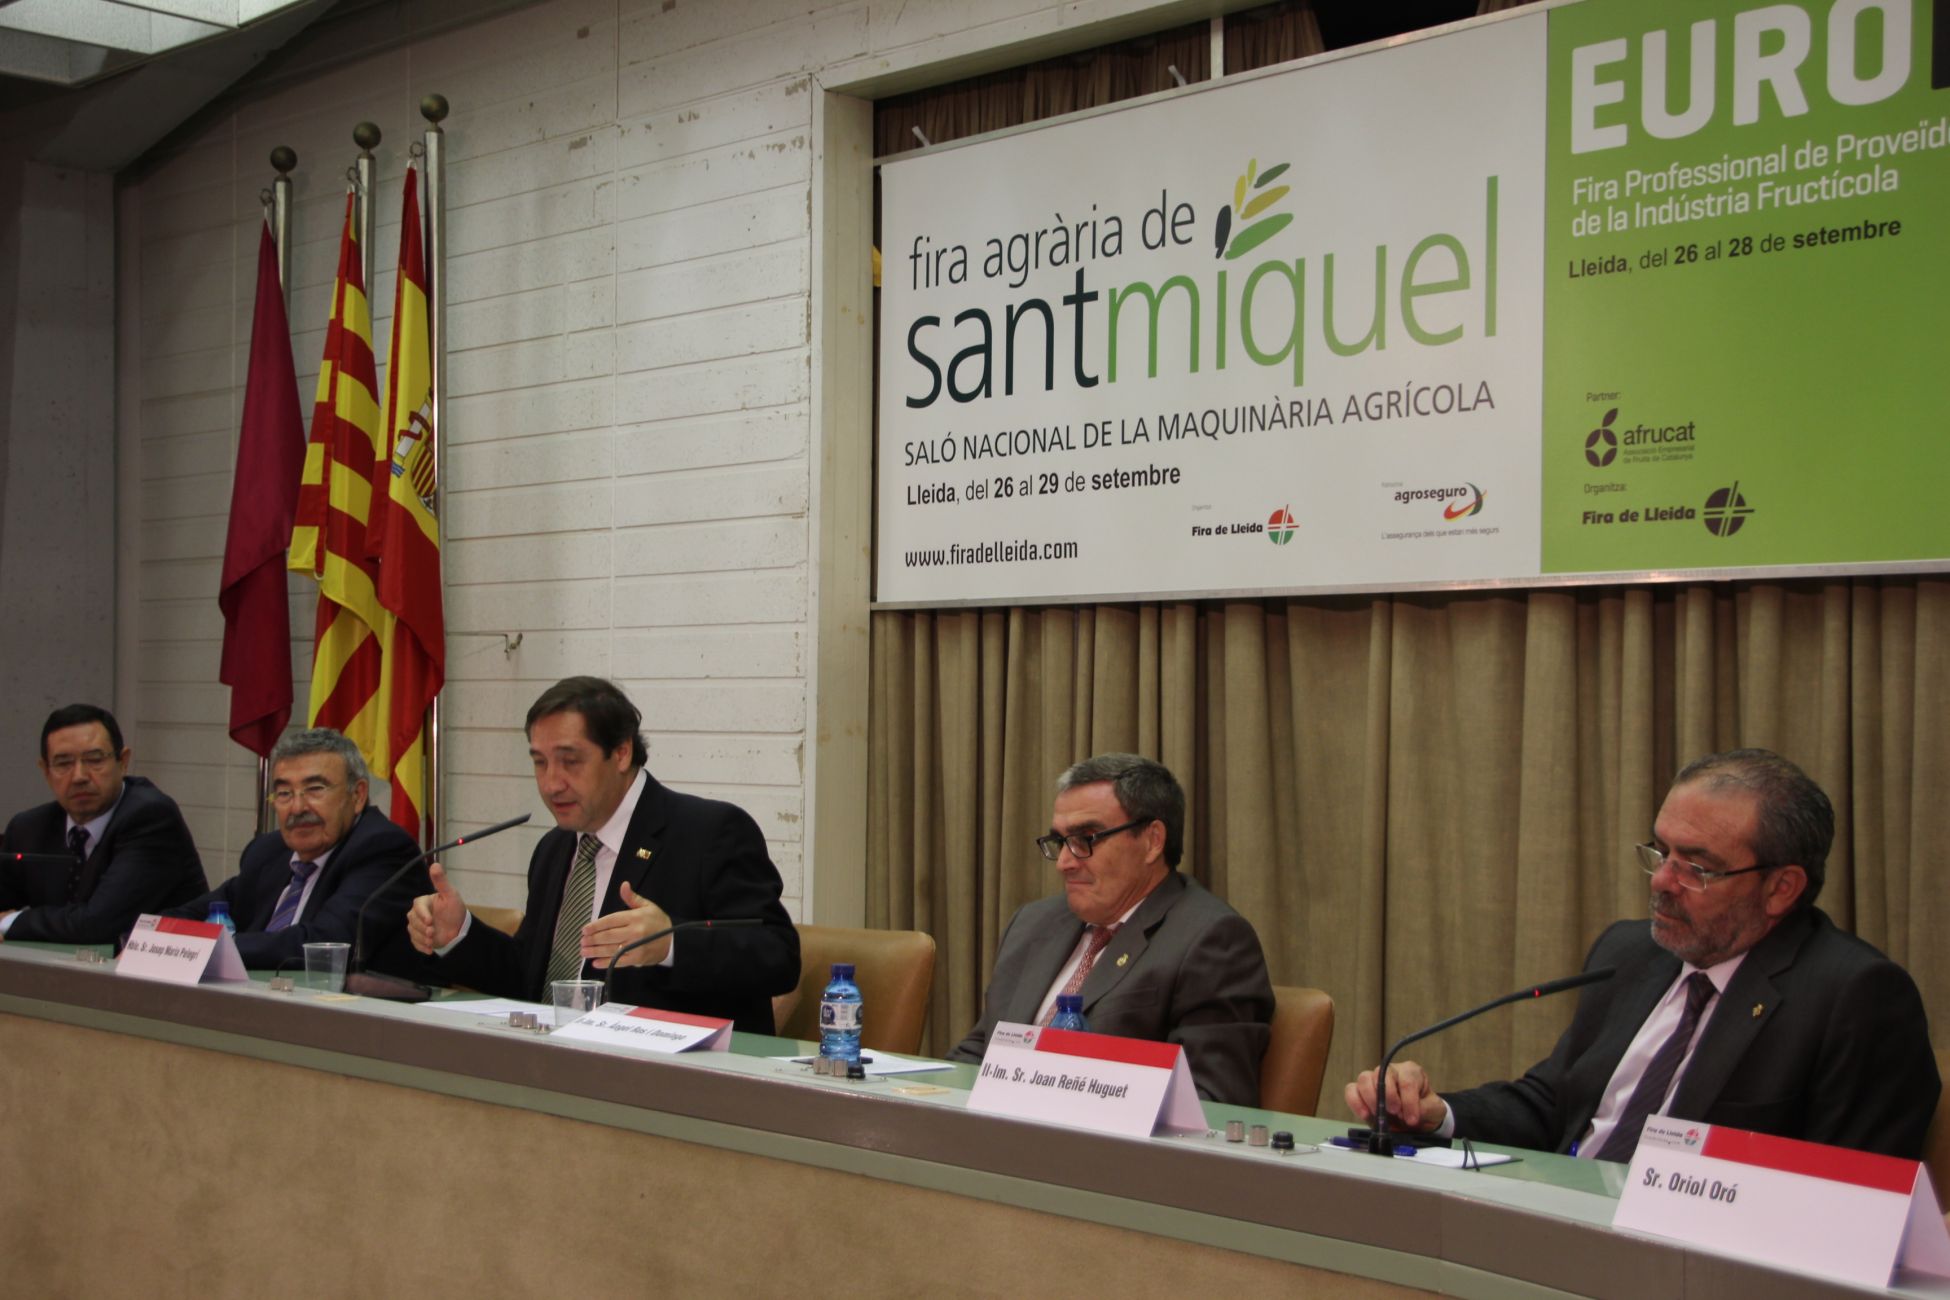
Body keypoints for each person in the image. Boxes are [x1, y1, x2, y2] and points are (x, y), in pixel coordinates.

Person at [1345, 748, 1940, 1161]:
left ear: (1781, 888)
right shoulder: (1634, 952)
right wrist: (1436, 1114)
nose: (1661, 882)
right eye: (1660, 853)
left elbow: (1850, 1200)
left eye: (1697, 867)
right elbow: (1555, 1106)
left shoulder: (1855, 997)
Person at [406, 676, 798, 1032]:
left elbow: (778, 956)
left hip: (671, 1074)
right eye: (540, 763)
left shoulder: (709, 832)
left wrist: (670, 945)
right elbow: (532, 981)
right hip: (555, 1066)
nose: (551, 783)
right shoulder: (555, 848)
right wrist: (459, 934)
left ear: (622, 752)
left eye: (570, 761)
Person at [948, 753, 1275, 1105]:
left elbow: (1209, 1099)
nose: (1064, 862)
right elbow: (982, 1051)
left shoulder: (1211, 939)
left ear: (1152, 841)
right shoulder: (1032, 923)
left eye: (1086, 838)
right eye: (1060, 841)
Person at [164, 728, 421, 968]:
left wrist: (209, 947)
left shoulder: (381, 849)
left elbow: (323, 945)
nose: (297, 808)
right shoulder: (269, 850)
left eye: (315, 789)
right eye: (284, 793)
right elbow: (199, 912)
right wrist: (157, 937)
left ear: (358, 795)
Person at [1, 704, 205, 944]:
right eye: (63, 763)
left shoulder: (151, 817)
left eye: (94, 760)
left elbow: (96, 925)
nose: (79, 776)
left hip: (159, 964)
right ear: (46, 770)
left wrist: (9, 922)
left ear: (123, 761)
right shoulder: (29, 828)